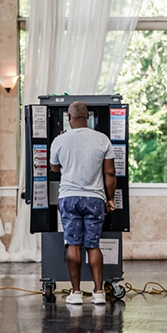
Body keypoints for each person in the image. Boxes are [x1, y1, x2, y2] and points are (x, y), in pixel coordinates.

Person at [50, 101, 116, 306]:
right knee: (93, 245)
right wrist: (111, 198)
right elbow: (110, 173)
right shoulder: (102, 139)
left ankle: (76, 292)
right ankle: (98, 293)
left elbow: (53, 168)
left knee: (73, 243)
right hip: (95, 198)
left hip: (69, 197)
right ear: (87, 116)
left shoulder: (59, 141)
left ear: (68, 118)